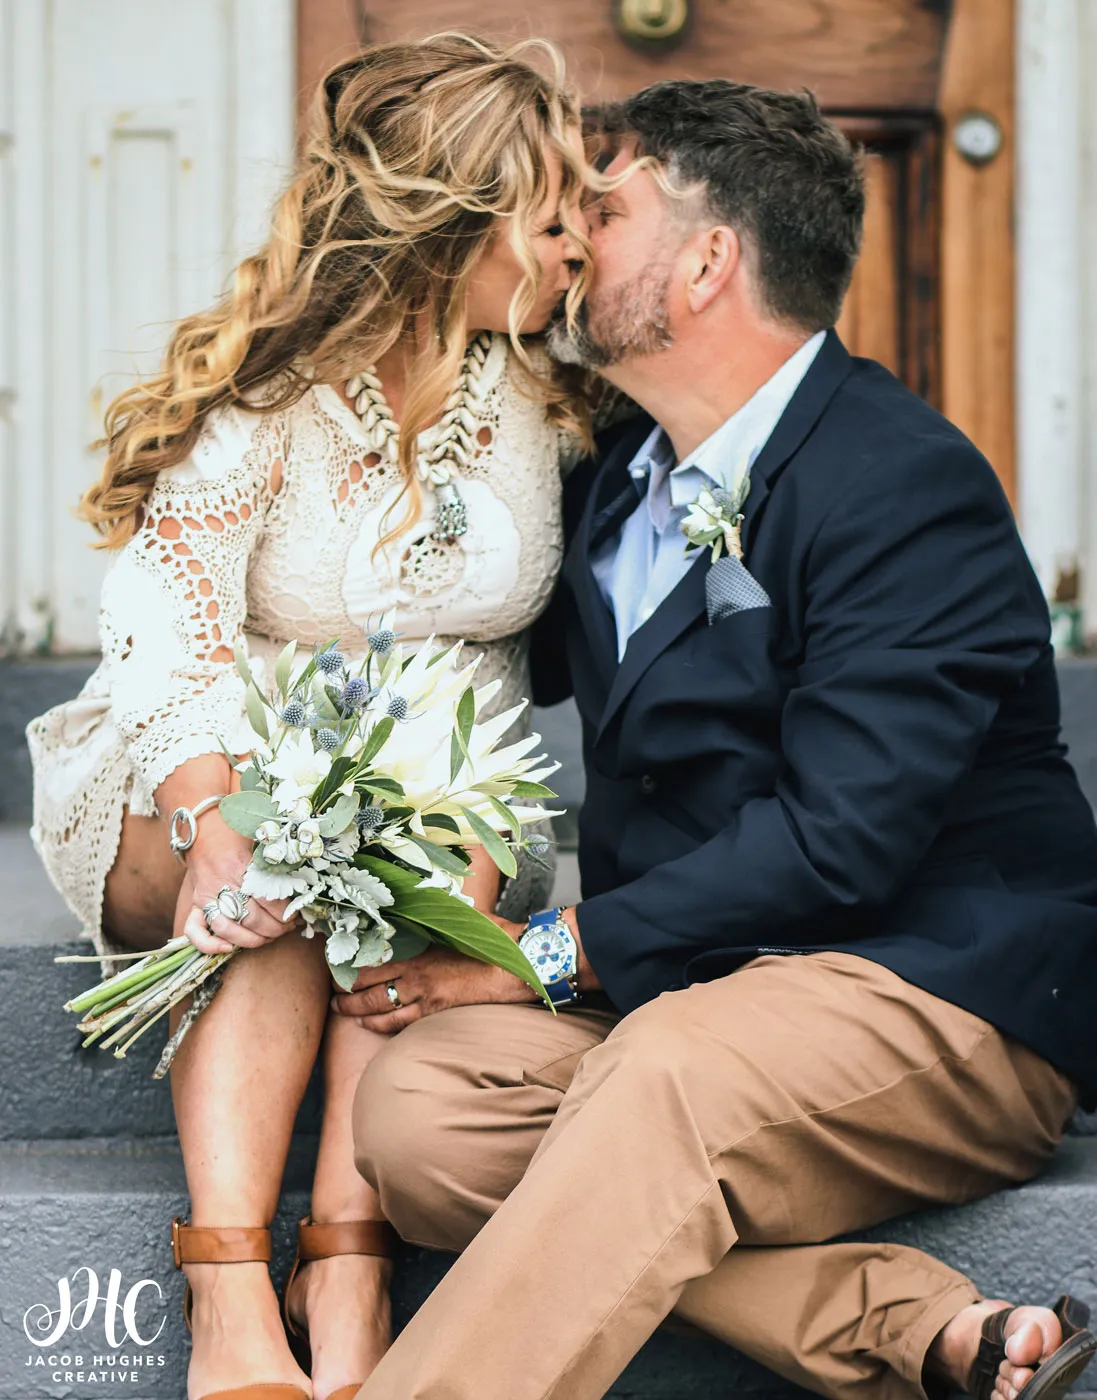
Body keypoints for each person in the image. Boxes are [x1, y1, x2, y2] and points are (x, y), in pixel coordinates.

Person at [336, 80, 1097, 1400]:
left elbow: (840, 839)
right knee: (423, 1117)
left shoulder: (902, 481)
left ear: (705, 260)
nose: (568, 246)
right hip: (697, 999)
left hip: (938, 990)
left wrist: (546, 954)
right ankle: (906, 1329)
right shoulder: (612, 471)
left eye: (602, 213)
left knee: (661, 1080)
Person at [26, 33, 598, 1400]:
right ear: (459, 225)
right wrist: (214, 813)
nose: (581, 245)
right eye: (554, 213)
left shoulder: (550, 396)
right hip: (195, 764)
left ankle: (348, 1265)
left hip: (453, 800)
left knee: (392, 864)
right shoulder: (271, 390)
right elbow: (169, 621)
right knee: (289, 868)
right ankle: (229, 1291)